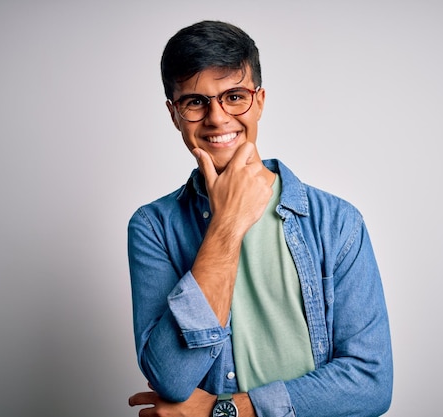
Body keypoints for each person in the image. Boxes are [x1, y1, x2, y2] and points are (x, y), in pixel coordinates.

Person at [127, 20, 393, 417]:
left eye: (234, 96)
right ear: (174, 114)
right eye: (195, 102)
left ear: (260, 100)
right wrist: (226, 225)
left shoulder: (337, 223)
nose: (217, 118)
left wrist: (223, 411)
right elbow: (171, 377)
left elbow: (370, 385)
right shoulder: (153, 227)